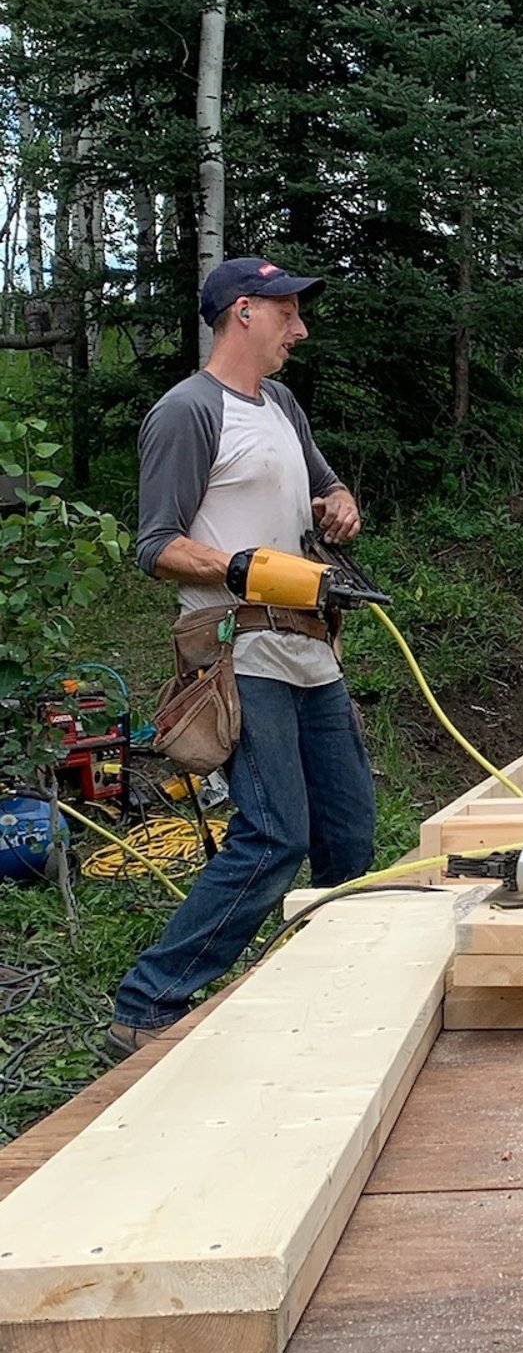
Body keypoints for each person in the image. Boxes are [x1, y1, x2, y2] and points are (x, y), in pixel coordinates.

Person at [108, 259, 374, 1056]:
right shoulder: (187, 411)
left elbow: (328, 491)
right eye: (289, 314)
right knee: (273, 834)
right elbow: (155, 545)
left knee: (348, 836)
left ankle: (331, 987)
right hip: (237, 647)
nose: (301, 329)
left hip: (310, 650)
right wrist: (237, 566)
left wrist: (340, 504)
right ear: (243, 313)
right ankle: (147, 1004)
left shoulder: (283, 404)